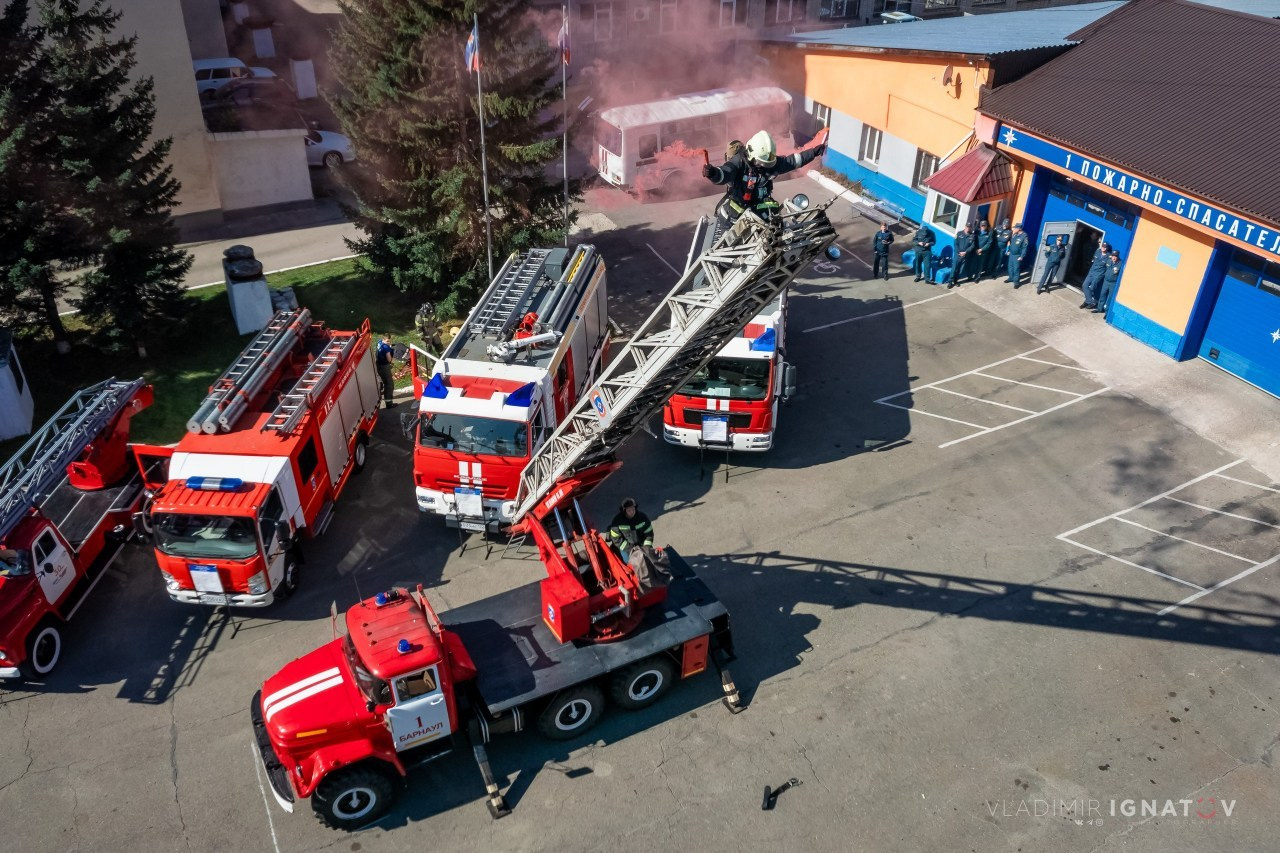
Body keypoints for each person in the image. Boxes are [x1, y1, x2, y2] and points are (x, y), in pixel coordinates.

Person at [702, 130, 826, 224]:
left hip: (760, 210)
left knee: (776, 224)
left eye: (767, 163)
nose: (764, 167)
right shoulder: (738, 163)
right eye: (760, 163)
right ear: (751, 155)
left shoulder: (767, 163)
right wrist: (713, 173)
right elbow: (725, 173)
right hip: (735, 216)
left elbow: (793, 161)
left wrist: (813, 152)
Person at [1079, 240, 1111, 310]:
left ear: (1107, 248)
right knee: (1084, 285)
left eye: (1105, 247)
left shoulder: (1109, 257)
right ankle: (1090, 301)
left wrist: (1102, 275)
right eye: (1103, 246)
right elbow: (1093, 260)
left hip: (1099, 274)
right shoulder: (1098, 251)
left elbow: (1108, 268)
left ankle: (1088, 302)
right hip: (1092, 272)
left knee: (1092, 288)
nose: (1103, 248)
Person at [952, 223, 975, 287]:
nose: (968, 228)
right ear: (965, 226)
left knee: (961, 269)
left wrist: (966, 252)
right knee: (954, 268)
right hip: (958, 254)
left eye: (969, 227)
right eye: (967, 226)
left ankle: (956, 280)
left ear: (971, 228)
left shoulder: (972, 236)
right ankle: (951, 281)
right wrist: (959, 252)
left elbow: (972, 246)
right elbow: (955, 244)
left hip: (965, 255)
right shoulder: (959, 233)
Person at [376, 333, 395, 408]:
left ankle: (381, 388)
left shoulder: (379, 342)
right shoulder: (386, 348)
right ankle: (389, 403)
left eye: (389, 341)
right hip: (384, 366)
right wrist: (391, 362)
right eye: (387, 341)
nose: (389, 343)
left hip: (379, 365)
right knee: (389, 384)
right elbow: (389, 359)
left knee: (384, 381)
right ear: (384, 339)